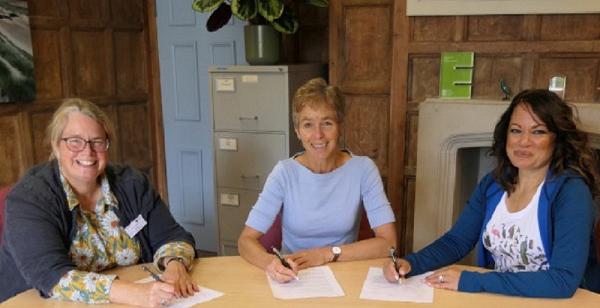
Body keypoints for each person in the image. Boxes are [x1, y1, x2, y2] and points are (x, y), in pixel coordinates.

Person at [383, 89, 599, 298]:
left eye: (538, 131)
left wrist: (471, 280)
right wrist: (411, 263)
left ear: (557, 139)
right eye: (516, 130)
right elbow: (456, 241)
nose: (524, 141)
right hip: (504, 298)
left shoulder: (571, 192)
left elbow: (563, 281)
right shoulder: (494, 184)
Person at [0, 98, 199, 306]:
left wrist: (175, 266)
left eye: (97, 141)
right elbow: (52, 276)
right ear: (56, 145)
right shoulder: (29, 199)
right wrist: (134, 294)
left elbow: (173, 236)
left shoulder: (132, 184)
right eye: (75, 141)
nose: (87, 152)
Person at [237, 78, 397, 283]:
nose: (318, 135)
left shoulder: (363, 169)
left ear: (341, 126)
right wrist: (271, 263)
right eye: (308, 125)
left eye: (327, 123)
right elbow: (245, 240)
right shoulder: (284, 173)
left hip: (344, 273)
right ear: (297, 130)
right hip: (294, 275)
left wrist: (326, 253)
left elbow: (389, 243)